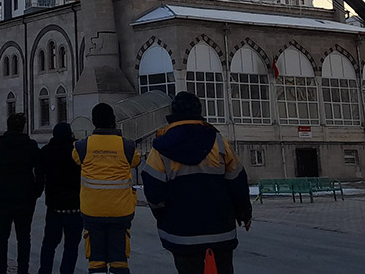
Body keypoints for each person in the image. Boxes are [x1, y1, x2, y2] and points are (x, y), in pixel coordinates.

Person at [142, 92, 252, 274]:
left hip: (182, 234)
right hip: (220, 230)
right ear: (199, 111)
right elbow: (237, 182)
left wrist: (164, 215)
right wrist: (244, 213)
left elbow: (154, 192)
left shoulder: (161, 148)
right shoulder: (219, 142)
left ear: (173, 113)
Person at [73, 103, 139, 274]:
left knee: (96, 262)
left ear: (94, 122)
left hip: (92, 212)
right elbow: (135, 161)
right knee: (119, 261)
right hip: (120, 212)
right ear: (113, 121)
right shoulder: (127, 146)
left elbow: (75, 159)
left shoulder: (82, 147)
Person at [0, 113, 42, 274]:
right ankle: (23, 269)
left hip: (3, 197)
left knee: (1, 236)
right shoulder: (31, 145)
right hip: (25, 198)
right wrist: (36, 191)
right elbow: (40, 171)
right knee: (24, 237)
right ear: (23, 127)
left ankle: (0, 269)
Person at [36, 122, 83, 274]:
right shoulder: (77, 152)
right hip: (75, 207)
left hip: (54, 206)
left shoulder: (46, 151)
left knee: (49, 244)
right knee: (71, 246)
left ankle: (45, 271)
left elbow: (39, 175)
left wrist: (37, 192)